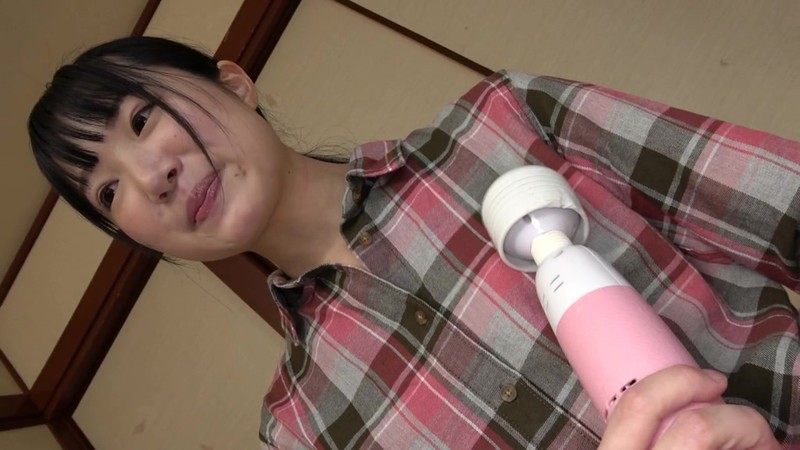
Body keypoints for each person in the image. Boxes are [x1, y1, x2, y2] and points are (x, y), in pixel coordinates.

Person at [28, 36, 796, 449]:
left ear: (234, 83)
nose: (151, 177)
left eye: (141, 120)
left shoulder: (508, 122)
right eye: (108, 193)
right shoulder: (300, 429)